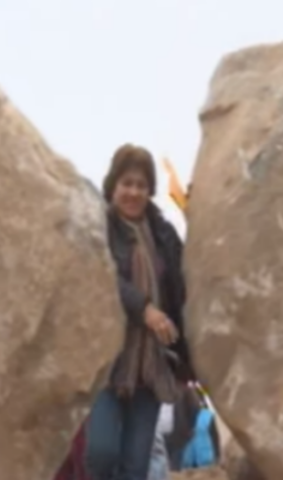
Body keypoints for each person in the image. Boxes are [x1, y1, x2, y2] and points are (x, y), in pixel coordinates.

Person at [84, 144, 194, 480]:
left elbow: (183, 286)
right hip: (107, 362)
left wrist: (198, 217)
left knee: (136, 467)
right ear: (113, 186)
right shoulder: (97, 226)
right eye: (127, 183)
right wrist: (144, 308)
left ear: (150, 191)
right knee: (101, 452)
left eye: (141, 185)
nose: (133, 192)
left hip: (152, 366)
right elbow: (102, 275)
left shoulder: (163, 234)